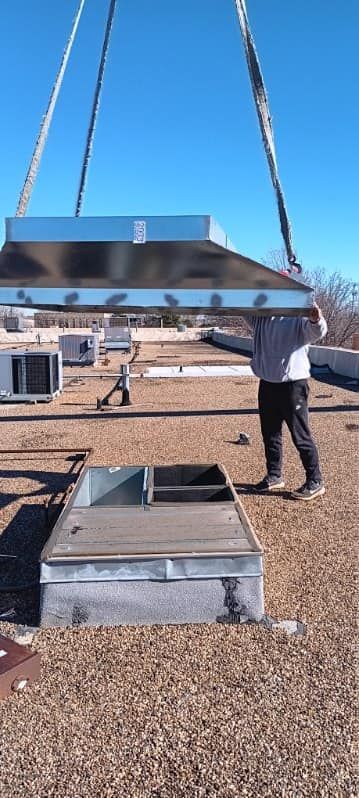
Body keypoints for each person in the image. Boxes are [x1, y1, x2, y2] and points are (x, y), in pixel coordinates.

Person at [246, 303, 327, 501]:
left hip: (293, 385)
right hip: (267, 382)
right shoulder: (262, 317)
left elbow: (317, 331)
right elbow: (243, 309)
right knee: (270, 433)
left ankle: (315, 480)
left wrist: (316, 319)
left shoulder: (297, 314)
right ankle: (274, 475)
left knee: (300, 435)